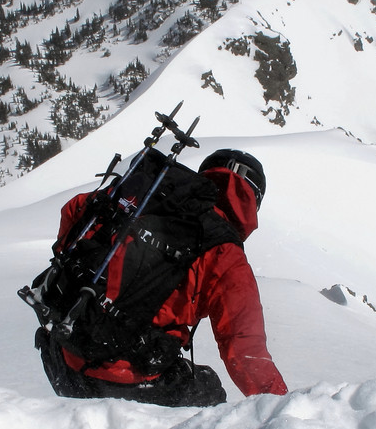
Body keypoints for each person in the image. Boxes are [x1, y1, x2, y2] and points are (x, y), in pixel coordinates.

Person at [37, 149, 288, 406]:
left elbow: (74, 209)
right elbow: (245, 350)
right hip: (133, 383)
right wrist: (282, 410)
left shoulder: (141, 199)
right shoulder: (225, 251)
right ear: (252, 202)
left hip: (62, 353)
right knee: (209, 391)